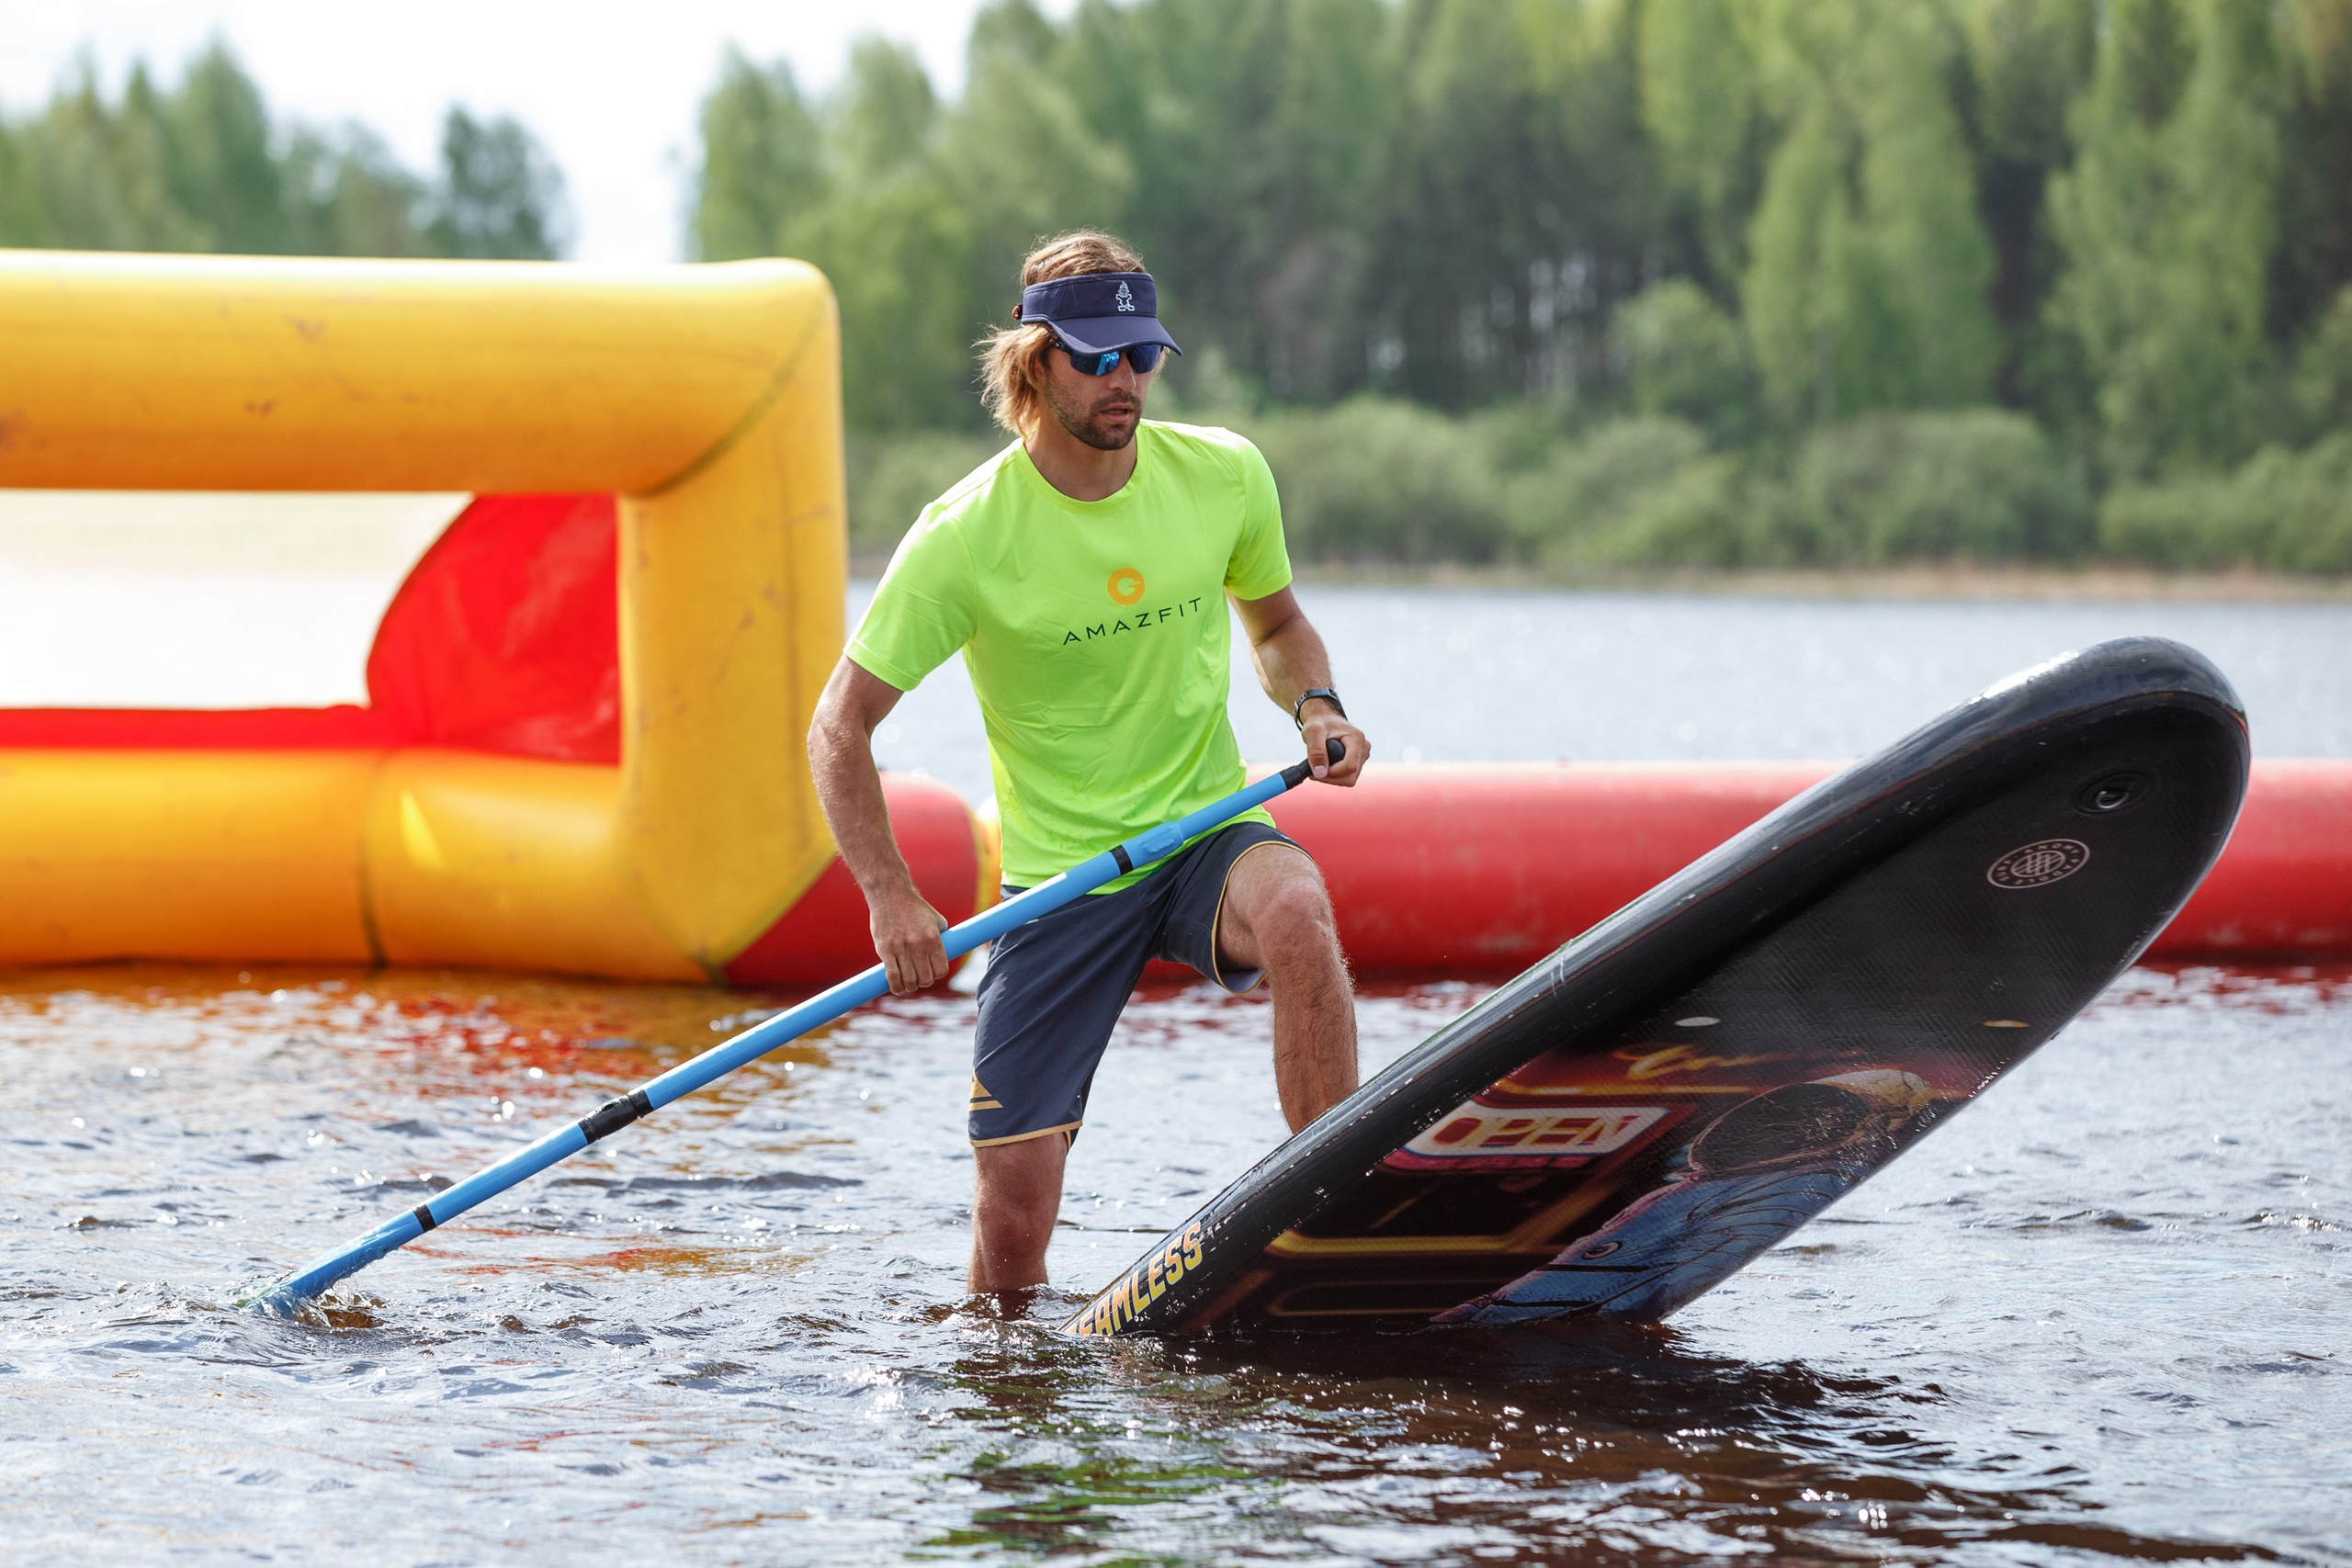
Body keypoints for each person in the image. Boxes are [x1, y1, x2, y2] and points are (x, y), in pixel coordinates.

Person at [807, 230, 1369, 1294]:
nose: (1125, 381)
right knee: (1011, 1235)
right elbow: (838, 729)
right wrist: (890, 897)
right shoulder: (961, 537)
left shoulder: (1224, 475)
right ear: (1034, 362)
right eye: (1097, 358)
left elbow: (1279, 623)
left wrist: (1317, 703)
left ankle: (1330, 1206)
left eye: (1141, 356)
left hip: (1203, 830)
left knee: (1296, 907)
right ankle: (1001, 1395)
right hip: (1059, 881)